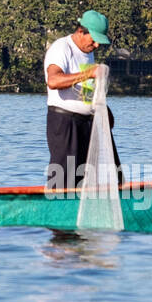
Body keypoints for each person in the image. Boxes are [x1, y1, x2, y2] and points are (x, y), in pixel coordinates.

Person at [43, 10, 121, 190]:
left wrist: (103, 111)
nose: (96, 45)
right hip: (64, 122)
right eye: (93, 40)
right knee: (63, 178)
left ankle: (78, 209)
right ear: (80, 31)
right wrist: (88, 73)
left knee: (82, 178)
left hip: (84, 124)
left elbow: (85, 93)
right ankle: (55, 209)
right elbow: (53, 81)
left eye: (99, 42)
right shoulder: (62, 48)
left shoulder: (88, 53)